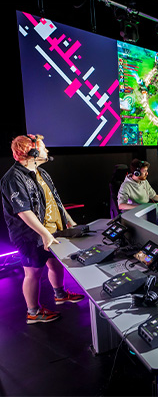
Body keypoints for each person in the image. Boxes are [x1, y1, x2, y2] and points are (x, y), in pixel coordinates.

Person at [1, 134, 84, 324]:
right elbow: (23, 211)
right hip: (30, 236)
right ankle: (33, 312)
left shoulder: (41, 173)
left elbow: (55, 200)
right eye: (43, 148)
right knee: (33, 273)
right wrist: (45, 234)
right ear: (32, 152)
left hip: (51, 232)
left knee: (55, 265)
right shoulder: (13, 178)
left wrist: (69, 221)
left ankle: (60, 295)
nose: (47, 150)